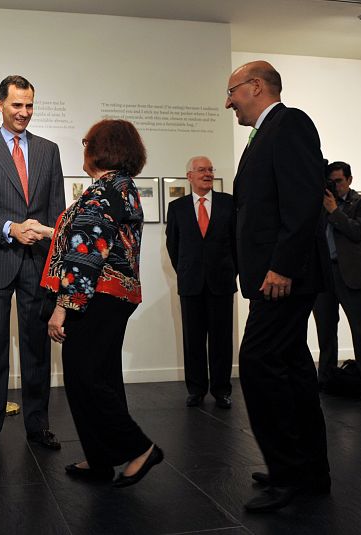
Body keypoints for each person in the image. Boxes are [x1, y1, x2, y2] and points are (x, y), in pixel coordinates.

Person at [225, 61, 330, 512]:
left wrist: (283, 266)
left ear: (256, 86)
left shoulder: (290, 123)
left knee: (258, 362)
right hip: (271, 276)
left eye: (232, 92)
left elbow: (304, 200)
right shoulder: (266, 132)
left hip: (282, 278)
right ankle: (308, 471)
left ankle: (289, 474)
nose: (228, 101)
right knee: (292, 368)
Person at [35, 119, 163, 488]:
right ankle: (101, 457)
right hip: (115, 295)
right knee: (99, 376)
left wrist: (63, 306)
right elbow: (90, 236)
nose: (83, 147)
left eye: (86, 141)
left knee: (84, 377)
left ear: (99, 148)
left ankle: (139, 448)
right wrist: (49, 231)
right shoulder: (120, 188)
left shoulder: (102, 192)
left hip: (97, 295)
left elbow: (86, 255)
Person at [0, 75, 65, 456]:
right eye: (17, 105)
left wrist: (50, 242)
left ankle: (38, 426)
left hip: (38, 262)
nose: (24, 112)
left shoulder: (48, 150)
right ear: (0, 106)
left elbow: (56, 208)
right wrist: (11, 228)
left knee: (36, 348)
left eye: (29, 105)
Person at [165, 156, 237, 409]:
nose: (207, 173)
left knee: (221, 340)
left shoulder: (229, 203)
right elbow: (173, 247)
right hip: (191, 283)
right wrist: (186, 271)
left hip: (222, 282)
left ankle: (221, 390)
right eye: (201, 170)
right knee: (193, 340)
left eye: (209, 169)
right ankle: (195, 390)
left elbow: (237, 243)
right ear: (190, 176)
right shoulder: (177, 207)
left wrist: (231, 271)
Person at [313, 161, 361, 399]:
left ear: (350, 180)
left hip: (353, 275)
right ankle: (326, 379)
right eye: (331, 181)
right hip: (323, 275)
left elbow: (358, 233)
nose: (335, 185)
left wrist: (334, 210)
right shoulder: (318, 205)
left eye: (339, 181)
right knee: (326, 331)